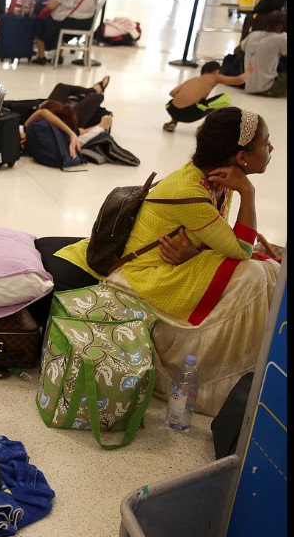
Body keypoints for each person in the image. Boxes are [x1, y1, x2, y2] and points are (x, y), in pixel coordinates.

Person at [53, 107, 281, 417]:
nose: (271, 148)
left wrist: (197, 255)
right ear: (241, 157)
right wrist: (248, 191)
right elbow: (239, 249)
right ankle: (228, 376)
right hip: (145, 276)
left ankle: (266, 361)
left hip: (174, 264)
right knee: (253, 273)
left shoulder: (212, 180)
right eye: (266, 142)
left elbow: (218, 241)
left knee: (268, 267)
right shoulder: (190, 190)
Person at [16, 76, 110, 164]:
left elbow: (43, 112)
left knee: (62, 87)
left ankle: (93, 90)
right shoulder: (31, 131)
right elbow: (82, 133)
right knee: (97, 97)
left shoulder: (28, 127)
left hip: (52, 118)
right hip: (65, 123)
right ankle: (95, 90)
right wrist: (100, 126)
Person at [31, 0, 97, 65]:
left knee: (39, 23)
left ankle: (41, 56)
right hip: (86, 24)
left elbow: (51, 6)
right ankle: (58, 55)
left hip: (68, 23)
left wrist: (46, 4)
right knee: (56, 23)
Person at [163, 60, 252, 132]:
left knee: (191, 103)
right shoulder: (214, 76)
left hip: (172, 110)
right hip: (190, 113)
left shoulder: (192, 79)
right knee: (226, 98)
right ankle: (205, 128)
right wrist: (249, 72)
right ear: (216, 71)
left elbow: (172, 93)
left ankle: (173, 122)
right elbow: (239, 80)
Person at [238, 10, 287, 97]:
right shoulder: (281, 39)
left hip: (249, 85)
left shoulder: (253, 35)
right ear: (281, 24)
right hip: (269, 88)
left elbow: (237, 49)